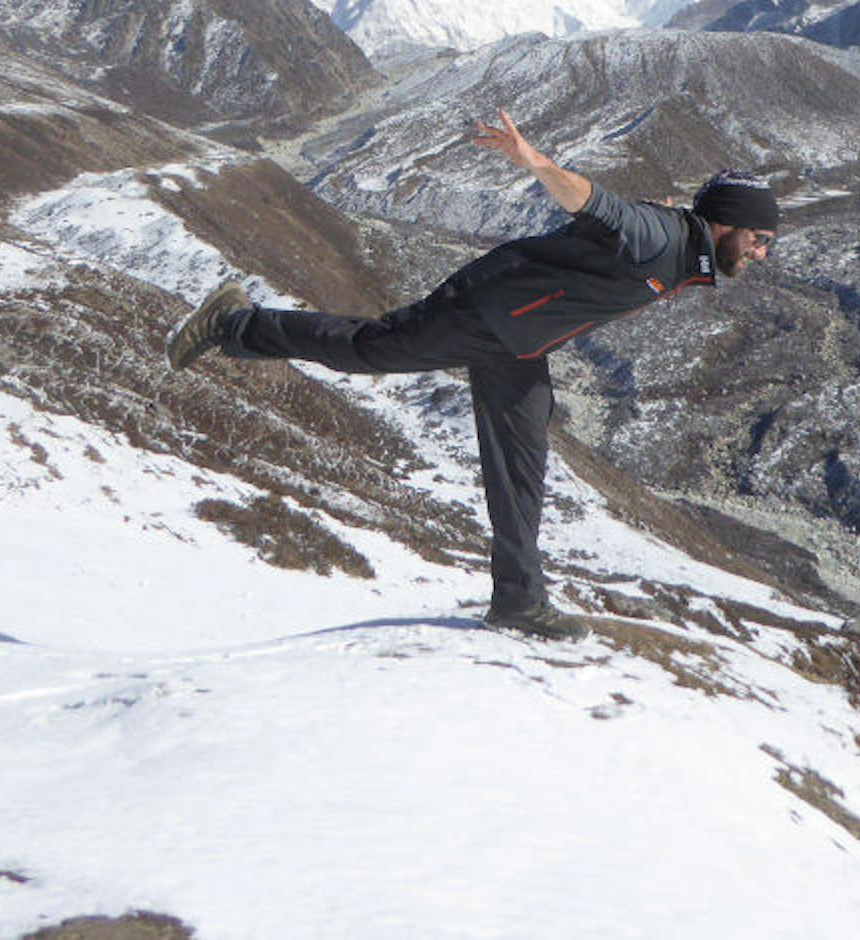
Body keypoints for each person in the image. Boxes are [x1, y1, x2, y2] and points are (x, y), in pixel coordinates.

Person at [166, 111, 779, 641]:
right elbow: (594, 203)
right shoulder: (662, 236)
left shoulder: (687, 253)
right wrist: (532, 159)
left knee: (522, 465)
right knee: (371, 350)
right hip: (483, 312)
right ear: (724, 223)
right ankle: (234, 323)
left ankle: (518, 602)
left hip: (517, 344)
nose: (761, 251)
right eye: (758, 237)